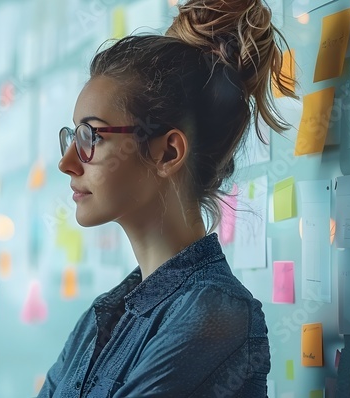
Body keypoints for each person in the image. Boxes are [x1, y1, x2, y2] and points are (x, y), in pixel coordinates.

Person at [39, 0, 295, 396]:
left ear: (168, 153)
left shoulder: (214, 313)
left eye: (91, 136)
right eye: (73, 137)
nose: (68, 162)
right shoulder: (101, 317)